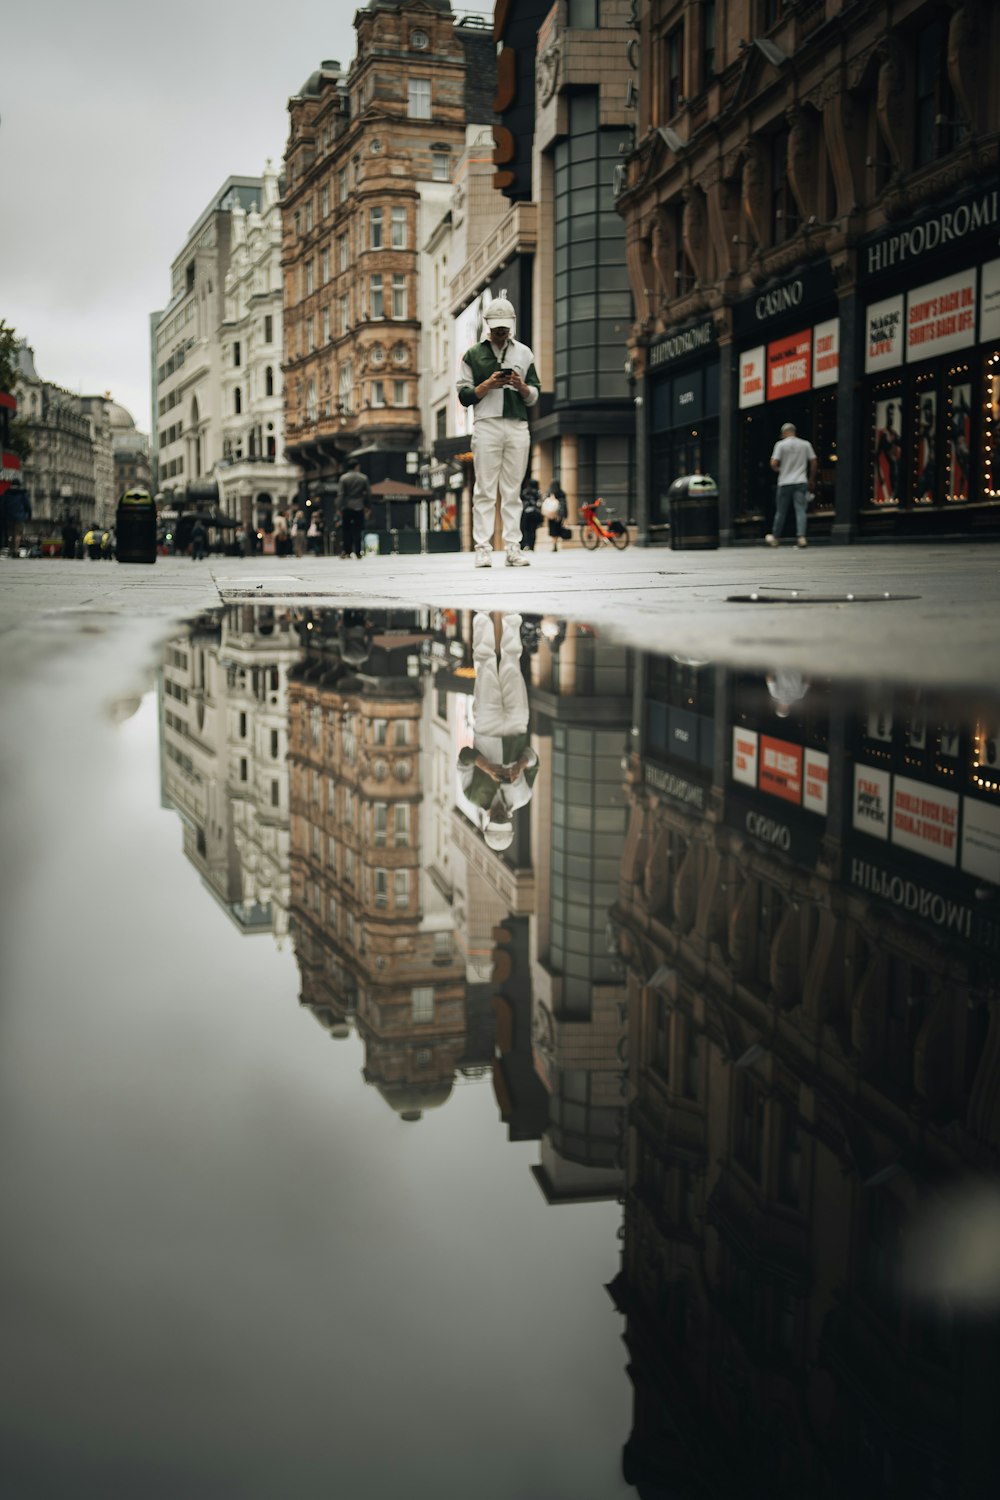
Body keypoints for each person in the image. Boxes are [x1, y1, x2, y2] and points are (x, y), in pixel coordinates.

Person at [457, 297, 541, 568]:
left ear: (512, 325)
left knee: (513, 490)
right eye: (496, 328)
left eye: (505, 327)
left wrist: (520, 385)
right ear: (488, 326)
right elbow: (464, 395)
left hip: (517, 424)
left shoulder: (524, 353)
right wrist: (488, 385)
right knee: (484, 489)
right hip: (487, 423)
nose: (501, 332)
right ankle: (483, 548)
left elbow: (533, 395)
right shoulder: (472, 354)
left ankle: (513, 547)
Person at [457, 612, 539, 851]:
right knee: (512, 665)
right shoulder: (522, 797)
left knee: (485, 665)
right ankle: (511, 616)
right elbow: (535, 760)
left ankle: (482, 615)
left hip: (487, 727)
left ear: (487, 821)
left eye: (496, 819)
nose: (500, 815)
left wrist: (486, 767)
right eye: (504, 820)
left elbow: (464, 756)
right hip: (516, 726)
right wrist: (521, 766)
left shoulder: (472, 795)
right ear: (509, 822)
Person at [765, 421, 817, 548]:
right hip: (800, 480)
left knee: (781, 511)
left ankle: (776, 537)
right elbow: (814, 462)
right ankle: (801, 537)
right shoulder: (805, 444)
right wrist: (811, 479)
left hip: (785, 482)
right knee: (801, 510)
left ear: (784, 433)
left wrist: (780, 470)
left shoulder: (780, 445)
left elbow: (773, 463)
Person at [338, 459, 370, 559]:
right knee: (358, 529)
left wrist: (339, 507)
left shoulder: (343, 478)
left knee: (346, 530)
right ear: (357, 466)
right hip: (359, 506)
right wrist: (367, 506)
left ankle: (346, 551)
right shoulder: (363, 478)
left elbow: (341, 494)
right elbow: (368, 493)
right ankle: (358, 551)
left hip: (347, 506)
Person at [541, 480, 568, 550]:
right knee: (557, 529)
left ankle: (554, 543)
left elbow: (544, 502)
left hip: (551, 515)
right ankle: (555, 543)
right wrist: (564, 515)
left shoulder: (549, 493)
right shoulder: (561, 493)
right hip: (558, 515)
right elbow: (564, 506)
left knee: (553, 529)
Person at [519, 475, 543, 551]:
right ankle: (532, 545)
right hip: (535, 513)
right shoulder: (538, 492)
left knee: (525, 530)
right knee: (533, 530)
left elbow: (522, 502)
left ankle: (526, 544)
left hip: (526, 513)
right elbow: (539, 503)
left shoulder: (525, 492)